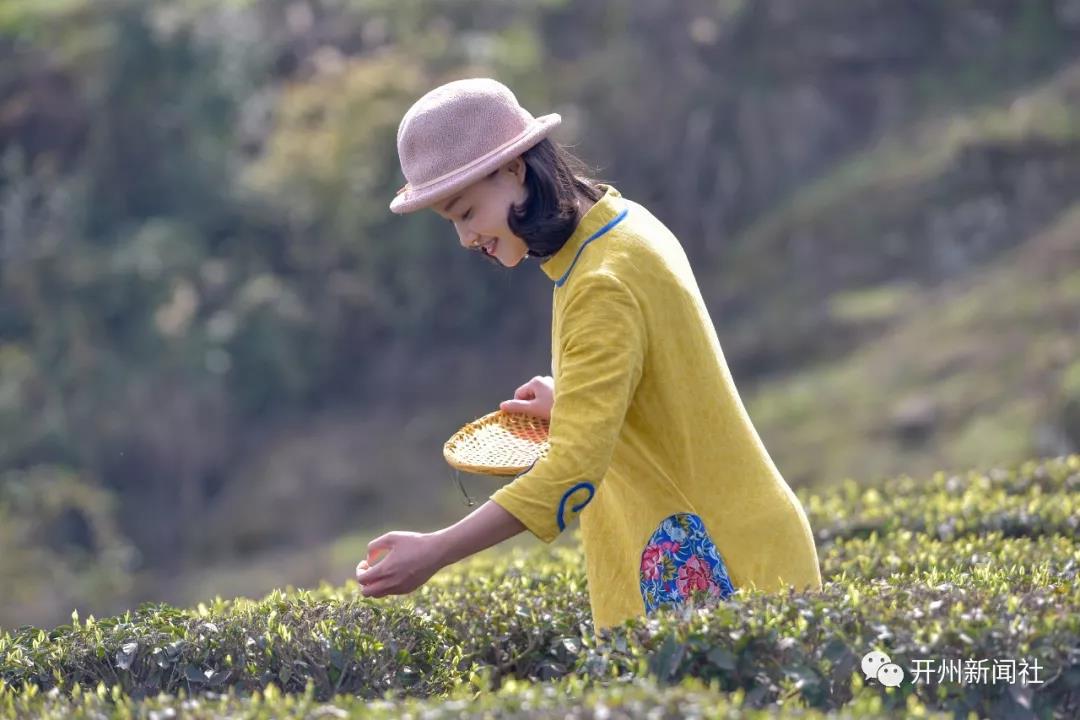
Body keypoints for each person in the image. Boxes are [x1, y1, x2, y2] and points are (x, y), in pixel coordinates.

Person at [354, 77, 822, 634]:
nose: (465, 237)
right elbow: (667, 375)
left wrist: (437, 549)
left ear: (515, 170)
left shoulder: (600, 282)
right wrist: (576, 403)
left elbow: (569, 473)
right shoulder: (622, 226)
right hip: (738, 542)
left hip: (722, 568)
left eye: (466, 211)